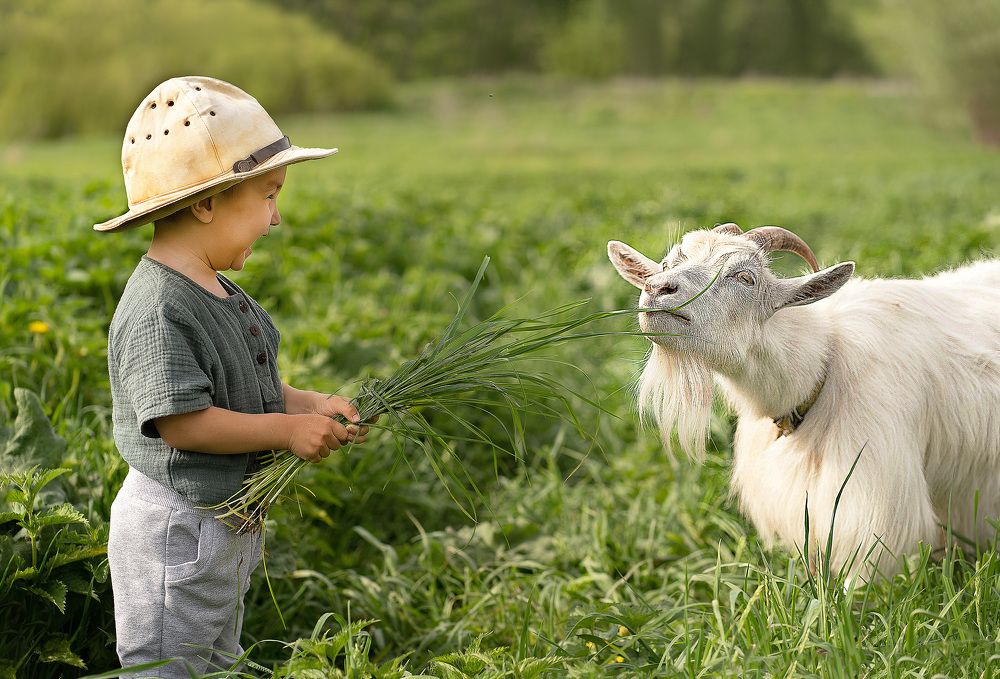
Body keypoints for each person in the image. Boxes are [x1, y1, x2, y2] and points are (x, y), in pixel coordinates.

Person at [95, 75, 369, 676]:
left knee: (216, 661)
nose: (276, 219)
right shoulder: (158, 308)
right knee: (168, 667)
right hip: (176, 530)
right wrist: (284, 432)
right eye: (269, 195)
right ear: (207, 202)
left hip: (218, 527)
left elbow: (244, 386)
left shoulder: (216, 288)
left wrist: (306, 405)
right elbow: (183, 423)